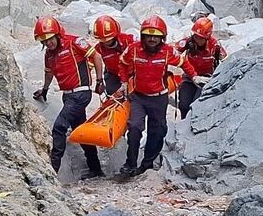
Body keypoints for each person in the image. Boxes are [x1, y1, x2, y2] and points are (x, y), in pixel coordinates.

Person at [116, 15, 202, 176]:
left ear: (162, 38)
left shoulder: (168, 51)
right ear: (143, 36)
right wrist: (124, 82)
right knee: (134, 127)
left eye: (156, 37)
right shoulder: (133, 49)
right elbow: (123, 62)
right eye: (148, 36)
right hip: (138, 97)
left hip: (158, 98)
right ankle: (130, 163)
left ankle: (146, 165)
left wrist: (194, 76)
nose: (152, 40)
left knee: (157, 132)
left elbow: (183, 63)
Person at [32, 15, 106, 179]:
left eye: (50, 39)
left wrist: (100, 80)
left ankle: (53, 171)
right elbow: (49, 73)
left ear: (57, 34)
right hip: (68, 96)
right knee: (80, 131)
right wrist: (44, 89)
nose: (48, 43)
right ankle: (96, 169)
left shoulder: (74, 42)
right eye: (44, 41)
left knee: (59, 127)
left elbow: (97, 56)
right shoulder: (49, 55)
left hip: (80, 93)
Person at [175, 17, 228, 119]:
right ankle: (183, 126)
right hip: (189, 77)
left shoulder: (215, 46)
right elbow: (173, 52)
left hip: (207, 79)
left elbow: (226, 61)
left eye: (200, 37)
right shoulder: (188, 42)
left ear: (207, 37)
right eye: (196, 36)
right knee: (184, 105)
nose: (197, 39)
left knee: (197, 105)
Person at [91, 15, 135, 95]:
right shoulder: (99, 48)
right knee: (112, 92)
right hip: (113, 74)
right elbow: (90, 62)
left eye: (108, 40)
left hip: (132, 73)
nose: (105, 43)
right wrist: (99, 81)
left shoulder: (128, 40)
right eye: (102, 40)